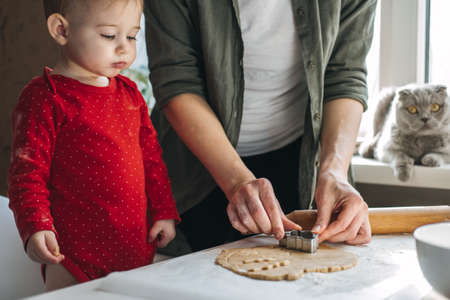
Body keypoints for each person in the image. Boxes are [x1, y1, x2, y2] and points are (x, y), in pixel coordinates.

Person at [144, 0, 376, 255]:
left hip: (298, 160)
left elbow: (345, 74)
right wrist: (235, 181)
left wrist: (335, 172)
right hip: (197, 165)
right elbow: (176, 80)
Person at [8, 0, 180, 291]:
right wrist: (36, 225)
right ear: (61, 30)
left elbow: (150, 157)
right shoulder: (46, 97)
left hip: (134, 247)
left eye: (131, 36)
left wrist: (163, 211)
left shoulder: (130, 93)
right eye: (110, 36)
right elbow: (27, 172)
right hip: (73, 255)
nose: (124, 48)